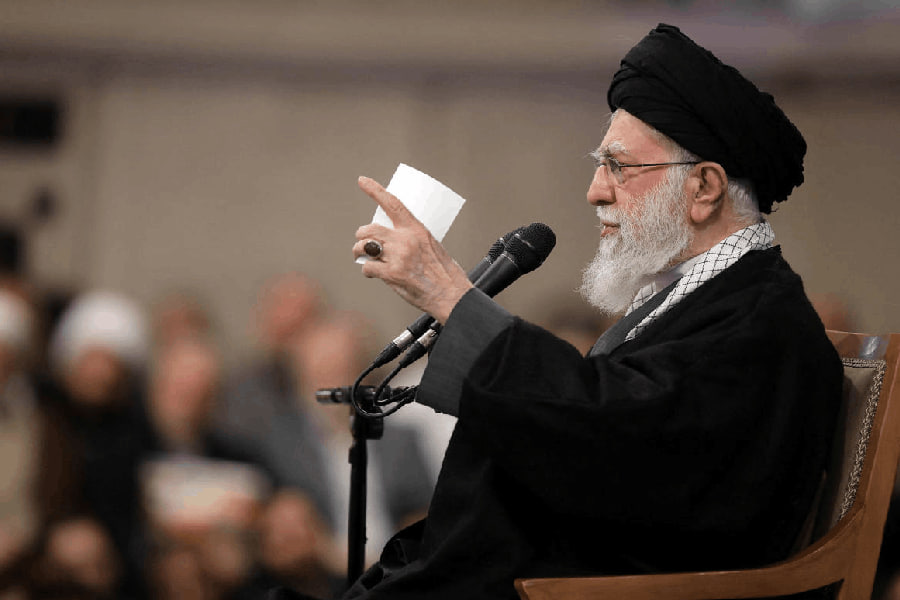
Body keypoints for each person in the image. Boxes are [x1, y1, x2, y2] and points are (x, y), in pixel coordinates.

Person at [277, 23, 843, 600]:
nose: (596, 190)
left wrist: (452, 298)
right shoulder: (705, 296)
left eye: (619, 166)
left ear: (704, 188)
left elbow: (618, 449)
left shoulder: (759, 324)